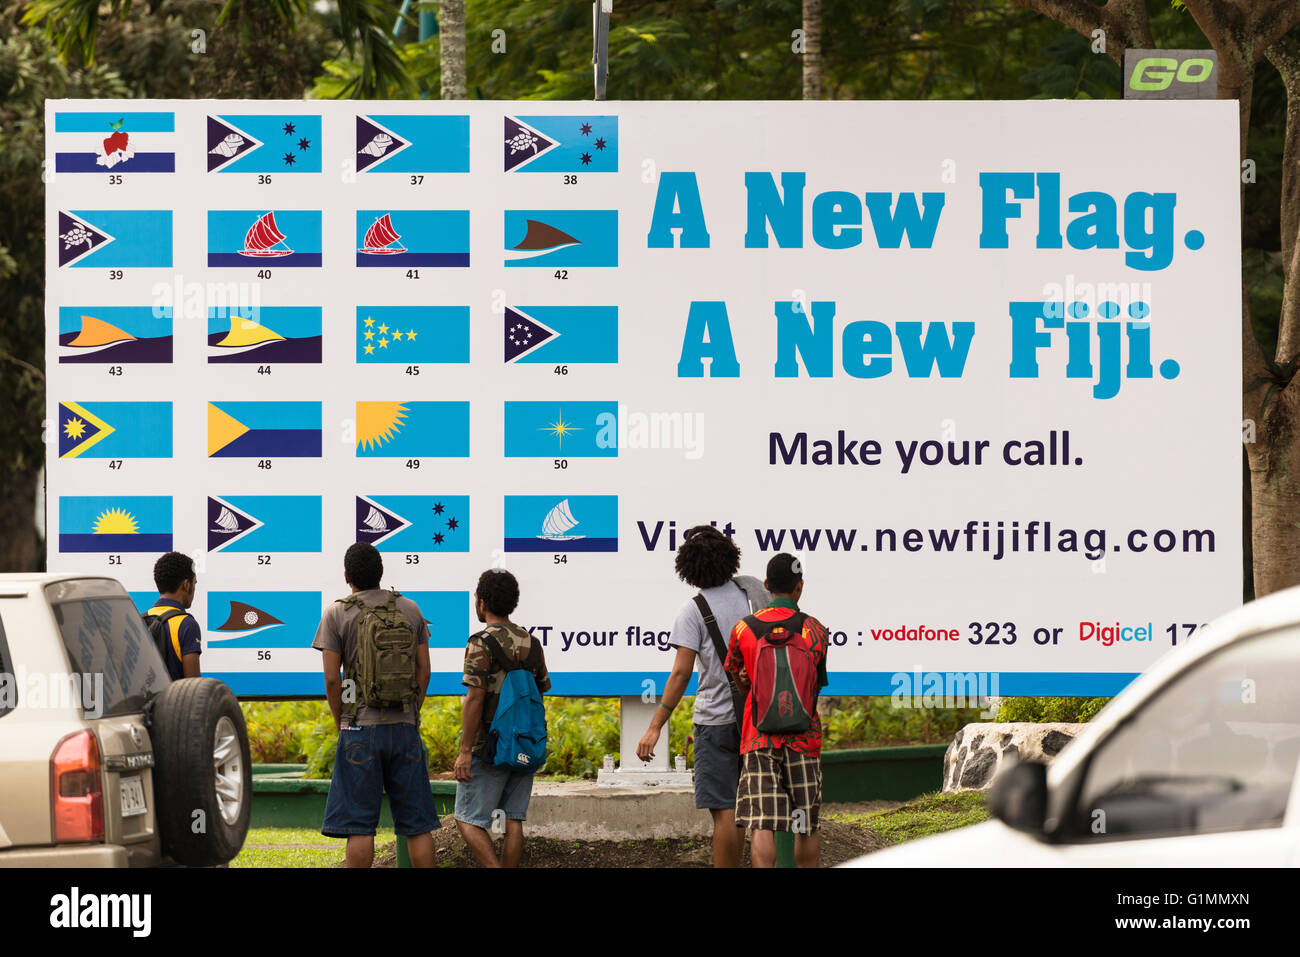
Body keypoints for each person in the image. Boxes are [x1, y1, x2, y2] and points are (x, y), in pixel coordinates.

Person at [636, 525, 768, 868]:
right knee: (743, 808)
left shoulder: (692, 611)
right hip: (754, 718)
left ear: (688, 567)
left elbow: (680, 674)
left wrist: (655, 726)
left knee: (724, 811)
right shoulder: (750, 595)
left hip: (714, 719)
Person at [313, 542, 440, 868]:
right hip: (405, 728)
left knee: (360, 826)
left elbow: (332, 680)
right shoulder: (410, 609)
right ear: (381, 574)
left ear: (346, 576)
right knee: (417, 824)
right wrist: (412, 711)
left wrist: (343, 718)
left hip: (359, 729)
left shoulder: (337, 613)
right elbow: (424, 670)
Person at [724, 552, 829, 868]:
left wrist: (748, 683)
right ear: (799, 587)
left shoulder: (744, 629)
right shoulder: (815, 630)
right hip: (803, 739)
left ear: (767, 585)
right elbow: (815, 685)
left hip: (759, 738)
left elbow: (740, 681)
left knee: (763, 823)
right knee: (805, 824)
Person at [454, 568, 550, 868]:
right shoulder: (531, 643)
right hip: (525, 741)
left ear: (482, 602)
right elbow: (540, 690)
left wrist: (466, 751)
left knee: (467, 819)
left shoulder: (480, 642)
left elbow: (475, 698)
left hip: (490, 746)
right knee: (513, 819)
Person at [145, 551, 201, 679]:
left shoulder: (141, 619)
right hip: (174, 699)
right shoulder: (187, 624)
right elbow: (193, 686)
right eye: (194, 583)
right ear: (186, 585)